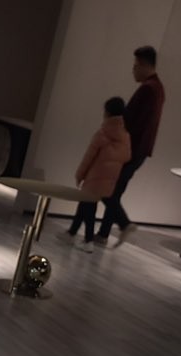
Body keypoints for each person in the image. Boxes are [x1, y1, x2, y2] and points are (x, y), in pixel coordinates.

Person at [96, 45, 166, 247]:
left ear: (144, 65)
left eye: (135, 66)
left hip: (131, 150)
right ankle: (103, 234)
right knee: (115, 190)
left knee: (106, 189)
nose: (133, 70)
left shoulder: (148, 89)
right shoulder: (158, 88)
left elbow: (134, 123)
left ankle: (124, 224)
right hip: (139, 150)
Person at [60, 97, 131, 253]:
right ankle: (71, 233)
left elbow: (89, 157)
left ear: (107, 113)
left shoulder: (102, 133)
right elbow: (127, 156)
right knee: (85, 204)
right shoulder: (125, 136)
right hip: (110, 178)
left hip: (94, 177)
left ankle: (88, 241)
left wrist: (79, 174)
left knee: (88, 206)